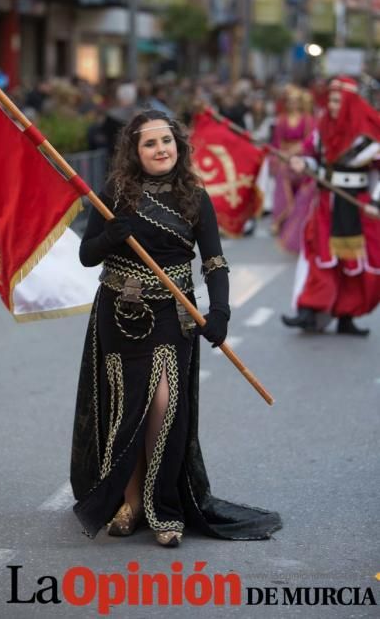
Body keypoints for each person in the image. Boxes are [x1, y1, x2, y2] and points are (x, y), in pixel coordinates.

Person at [70, 109, 282, 547]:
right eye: (149, 144)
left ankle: (162, 507)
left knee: (164, 405)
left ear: (178, 146)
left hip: (174, 312)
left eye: (166, 141)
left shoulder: (194, 196)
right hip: (120, 312)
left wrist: (221, 310)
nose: (160, 149)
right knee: (129, 409)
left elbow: (215, 261)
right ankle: (128, 503)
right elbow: (87, 255)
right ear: (135, 151)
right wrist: (111, 236)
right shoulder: (113, 192)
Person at [282, 77, 380, 335]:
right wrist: (304, 164)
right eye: (331, 100)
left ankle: (347, 316)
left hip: (358, 206)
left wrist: (378, 203)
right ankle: (308, 311)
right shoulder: (322, 129)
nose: (332, 106)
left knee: (354, 262)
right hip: (327, 203)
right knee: (319, 254)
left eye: (337, 101)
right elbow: (312, 159)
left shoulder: (369, 133)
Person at [270, 85, 316, 254]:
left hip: (302, 158)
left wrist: (295, 153)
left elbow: (310, 142)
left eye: (296, 101)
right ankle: (281, 217)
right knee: (282, 171)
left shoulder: (308, 120)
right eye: (290, 101)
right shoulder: (281, 120)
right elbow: (276, 143)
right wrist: (281, 155)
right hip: (285, 158)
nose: (293, 104)